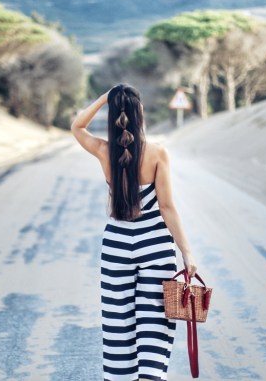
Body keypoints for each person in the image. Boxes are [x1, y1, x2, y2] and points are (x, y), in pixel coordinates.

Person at [71, 83, 198, 381]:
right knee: (155, 323)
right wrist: (187, 252)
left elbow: (77, 125)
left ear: (113, 114)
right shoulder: (157, 154)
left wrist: (106, 97)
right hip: (154, 245)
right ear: (140, 113)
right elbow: (167, 207)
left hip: (116, 245)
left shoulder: (103, 151)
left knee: (119, 325)